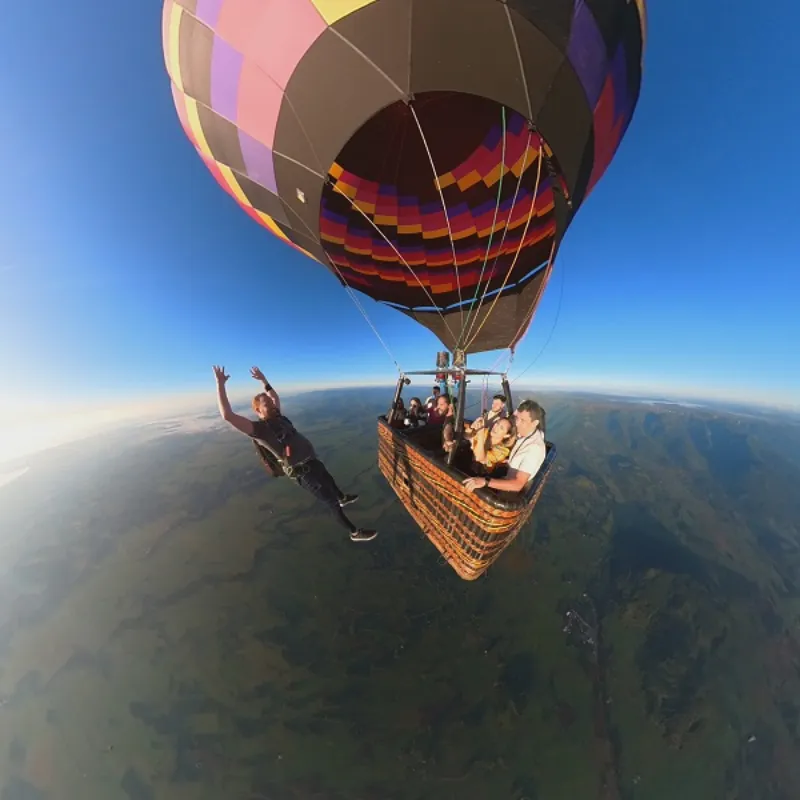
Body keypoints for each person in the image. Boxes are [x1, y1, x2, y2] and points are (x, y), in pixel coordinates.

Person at [213, 365, 377, 542]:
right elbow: (227, 415)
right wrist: (220, 384)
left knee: (329, 479)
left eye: (270, 403)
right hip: (303, 473)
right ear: (258, 411)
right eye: (267, 404)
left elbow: (274, 396)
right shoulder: (259, 430)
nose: (272, 405)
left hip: (311, 461)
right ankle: (354, 532)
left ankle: (342, 497)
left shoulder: (279, 418)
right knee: (332, 503)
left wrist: (263, 380)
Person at [462, 399, 546, 494]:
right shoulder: (524, 433)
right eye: (518, 418)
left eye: (523, 420)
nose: (518, 423)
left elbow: (518, 484)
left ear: (535, 423)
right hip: (504, 478)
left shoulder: (534, 448)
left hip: (507, 492)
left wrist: (485, 481)